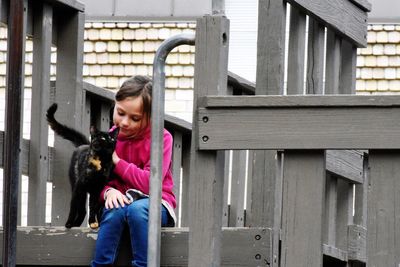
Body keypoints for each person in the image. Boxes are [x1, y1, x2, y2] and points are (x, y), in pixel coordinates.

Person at [91, 75, 176, 267]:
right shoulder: (108, 139)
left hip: (156, 203)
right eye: (120, 113)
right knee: (114, 210)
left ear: (150, 117)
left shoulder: (161, 138)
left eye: (135, 118)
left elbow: (149, 183)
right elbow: (95, 181)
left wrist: (117, 162)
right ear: (115, 104)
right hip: (122, 203)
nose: (124, 122)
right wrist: (107, 192)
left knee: (137, 210)